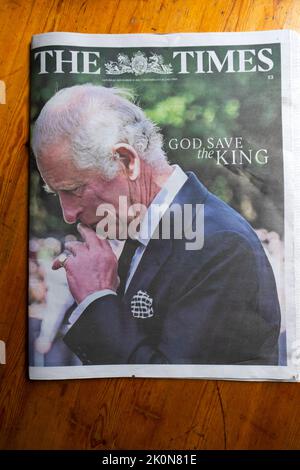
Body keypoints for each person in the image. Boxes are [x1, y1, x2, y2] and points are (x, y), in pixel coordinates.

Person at [31, 84, 281, 365]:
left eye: (74, 190)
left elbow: (170, 394)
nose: (68, 214)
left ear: (126, 161)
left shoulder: (219, 245)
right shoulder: (147, 232)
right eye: (57, 193)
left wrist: (97, 299)